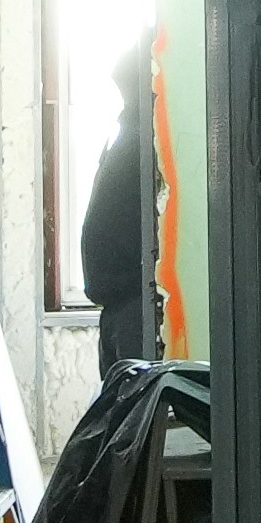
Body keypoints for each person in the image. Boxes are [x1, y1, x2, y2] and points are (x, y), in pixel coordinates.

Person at [80, 43, 157, 376]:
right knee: (119, 412)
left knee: (132, 412)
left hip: (134, 300)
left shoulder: (147, 136)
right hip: (117, 304)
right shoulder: (127, 132)